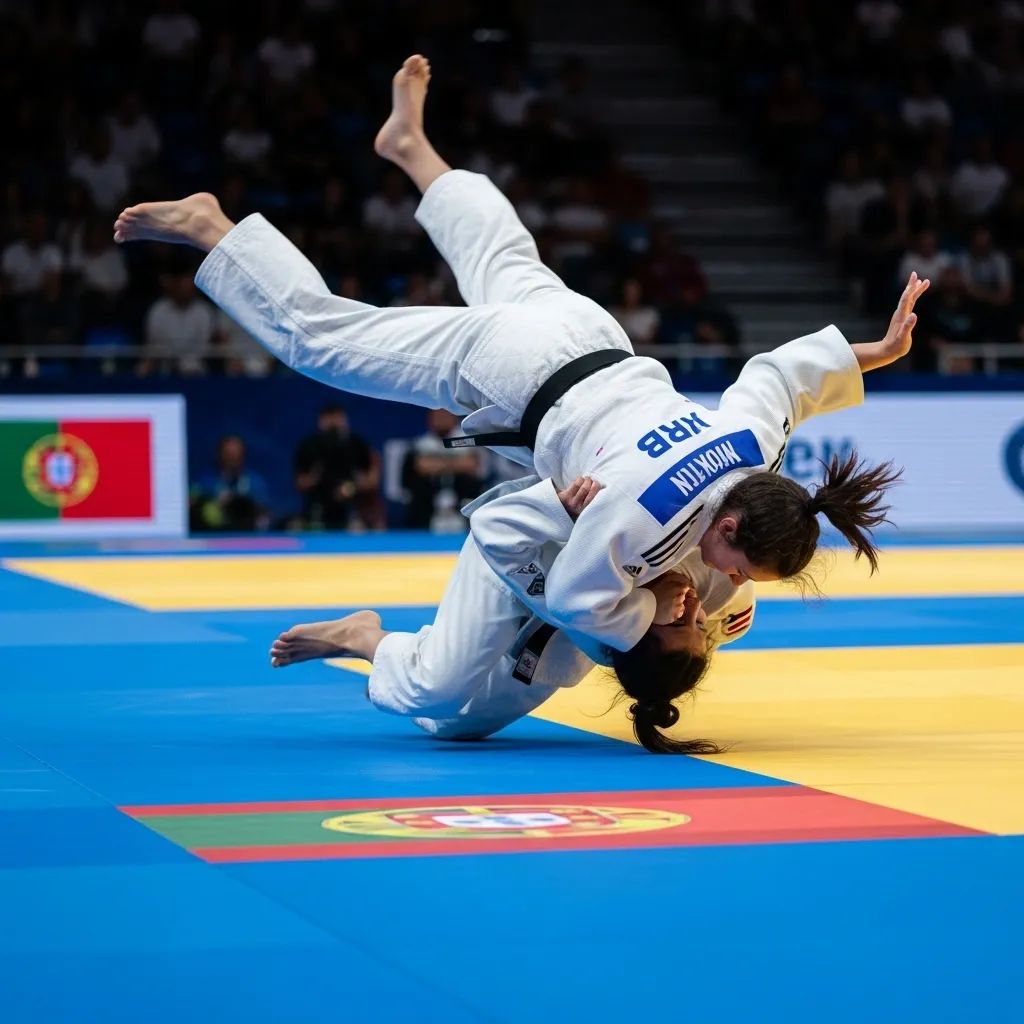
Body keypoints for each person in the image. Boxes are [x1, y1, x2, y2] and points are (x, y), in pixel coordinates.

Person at [113, 54, 925, 657]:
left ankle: (411, 148)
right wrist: (679, 609)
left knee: (502, 254)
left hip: (590, 335)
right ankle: (213, 229)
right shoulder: (646, 515)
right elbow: (580, 600)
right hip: (520, 371)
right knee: (325, 340)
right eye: (742, 567)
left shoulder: (753, 451)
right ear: (737, 520)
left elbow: (779, 375)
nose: (735, 581)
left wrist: (879, 353)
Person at [269, 478, 757, 754]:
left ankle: (374, 641)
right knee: (436, 689)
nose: (690, 607)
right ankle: (364, 638)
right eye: (695, 624)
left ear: (629, 635)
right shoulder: (719, 577)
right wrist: (556, 507)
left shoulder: (593, 645)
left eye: (675, 621)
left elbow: (642, 645)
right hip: (517, 553)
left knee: (454, 727)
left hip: (561, 631)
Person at [293, 404, 380, 530]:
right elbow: (300, 482)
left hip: (351, 506)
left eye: (338, 419)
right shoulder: (308, 446)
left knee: (359, 529)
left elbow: (370, 480)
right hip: (317, 506)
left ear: (345, 420)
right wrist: (315, 478)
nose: (333, 423)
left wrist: (351, 487)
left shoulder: (357, 444)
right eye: (329, 419)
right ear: (321, 421)